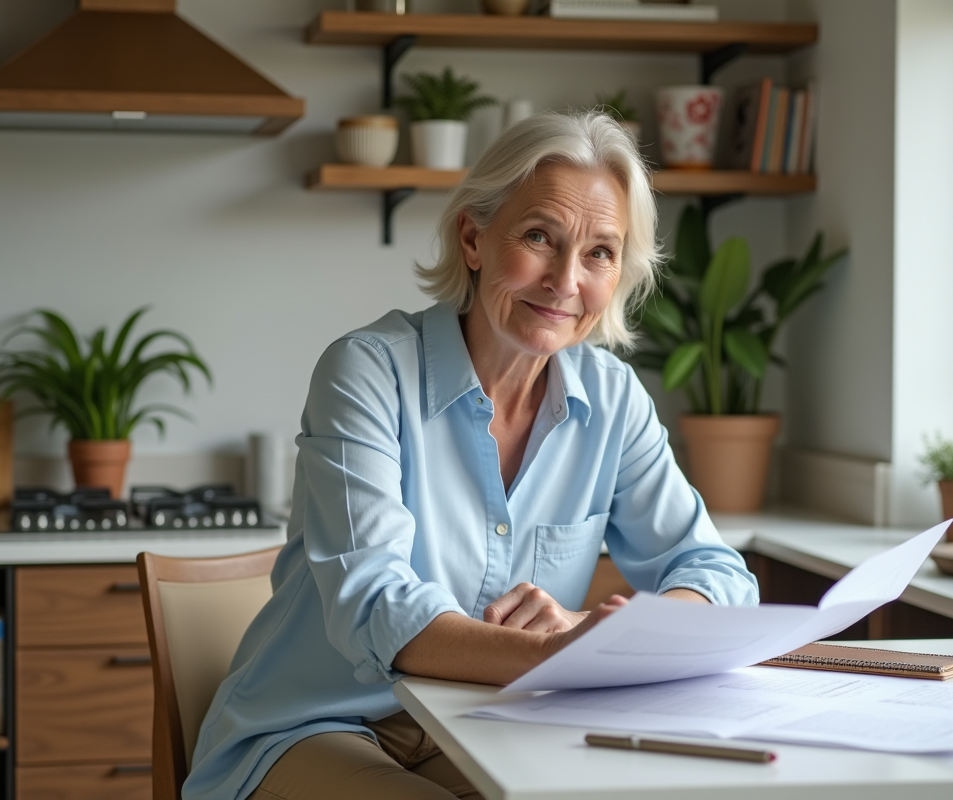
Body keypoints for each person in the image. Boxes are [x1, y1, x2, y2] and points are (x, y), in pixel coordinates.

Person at [182, 111, 759, 800]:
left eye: (600, 252)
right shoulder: (367, 373)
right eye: (540, 237)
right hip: (316, 725)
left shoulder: (613, 401)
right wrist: (553, 655)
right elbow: (374, 601)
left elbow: (717, 573)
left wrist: (615, 631)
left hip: (489, 722)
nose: (565, 281)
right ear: (473, 236)